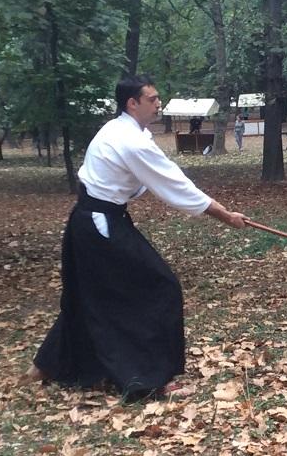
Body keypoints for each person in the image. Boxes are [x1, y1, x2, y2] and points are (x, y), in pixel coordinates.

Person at [27, 75, 247, 399]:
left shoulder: (122, 130)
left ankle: (48, 365)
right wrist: (225, 215)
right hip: (100, 224)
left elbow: (148, 178)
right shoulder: (130, 140)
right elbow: (174, 184)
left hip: (90, 221)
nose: (158, 104)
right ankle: (154, 378)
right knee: (160, 287)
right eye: (152, 99)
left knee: (90, 295)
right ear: (133, 103)